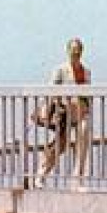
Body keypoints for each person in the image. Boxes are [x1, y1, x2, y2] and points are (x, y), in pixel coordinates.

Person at [35, 38, 92, 188]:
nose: (76, 53)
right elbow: (51, 91)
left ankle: (77, 179)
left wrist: (87, 109)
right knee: (60, 145)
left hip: (80, 112)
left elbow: (88, 94)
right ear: (68, 51)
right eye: (73, 50)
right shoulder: (60, 70)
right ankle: (41, 174)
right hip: (64, 112)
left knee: (83, 141)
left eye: (78, 50)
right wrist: (51, 109)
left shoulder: (86, 71)